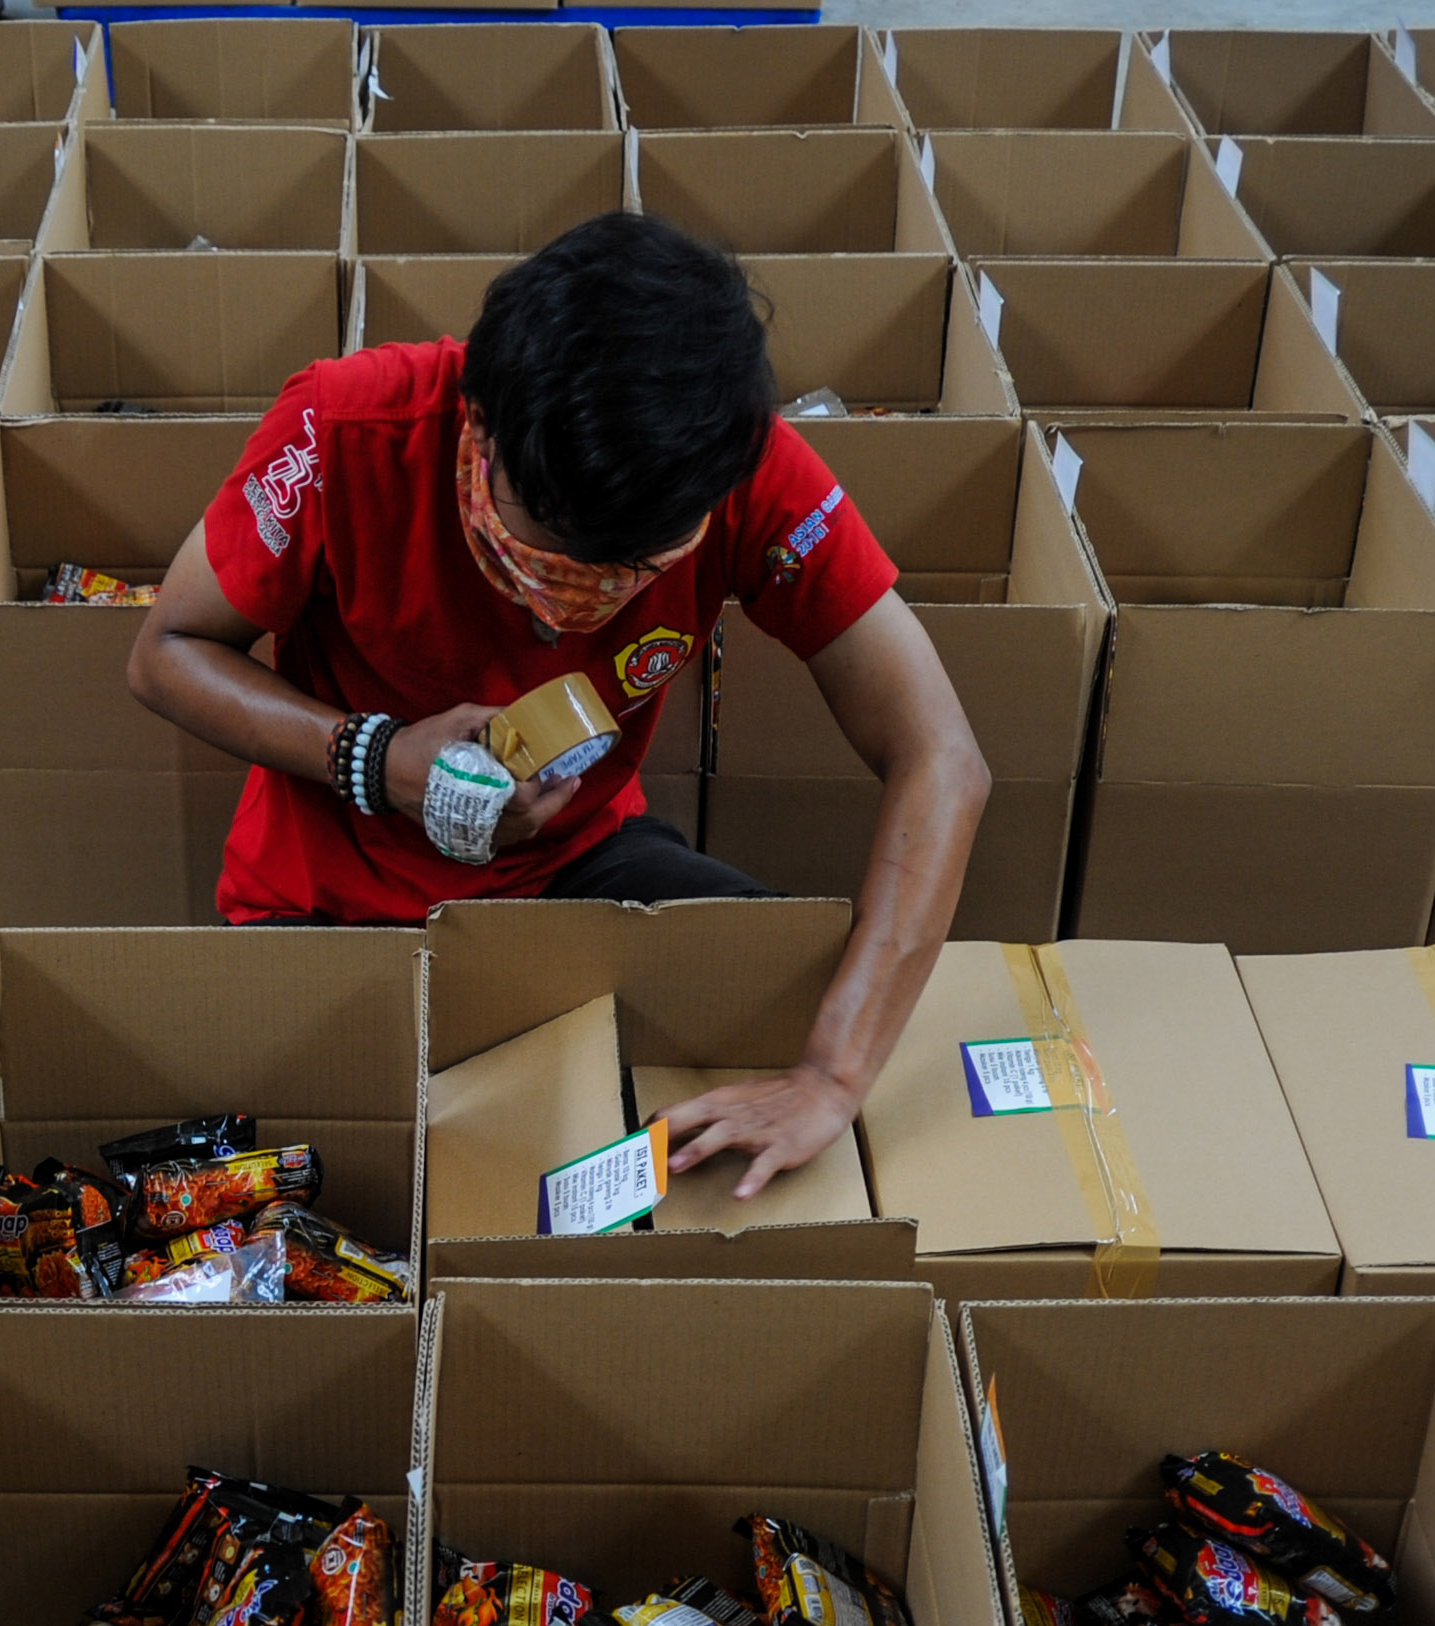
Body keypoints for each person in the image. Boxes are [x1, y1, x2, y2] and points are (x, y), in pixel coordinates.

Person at [125, 212, 990, 1201]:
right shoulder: (345, 427)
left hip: (576, 866)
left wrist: (832, 1075)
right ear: (479, 425)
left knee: (793, 1011)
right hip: (325, 896)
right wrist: (372, 758)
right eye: (553, 556)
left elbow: (941, 758)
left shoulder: (736, 462)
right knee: (300, 1200)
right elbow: (167, 651)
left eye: (639, 567)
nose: (575, 608)